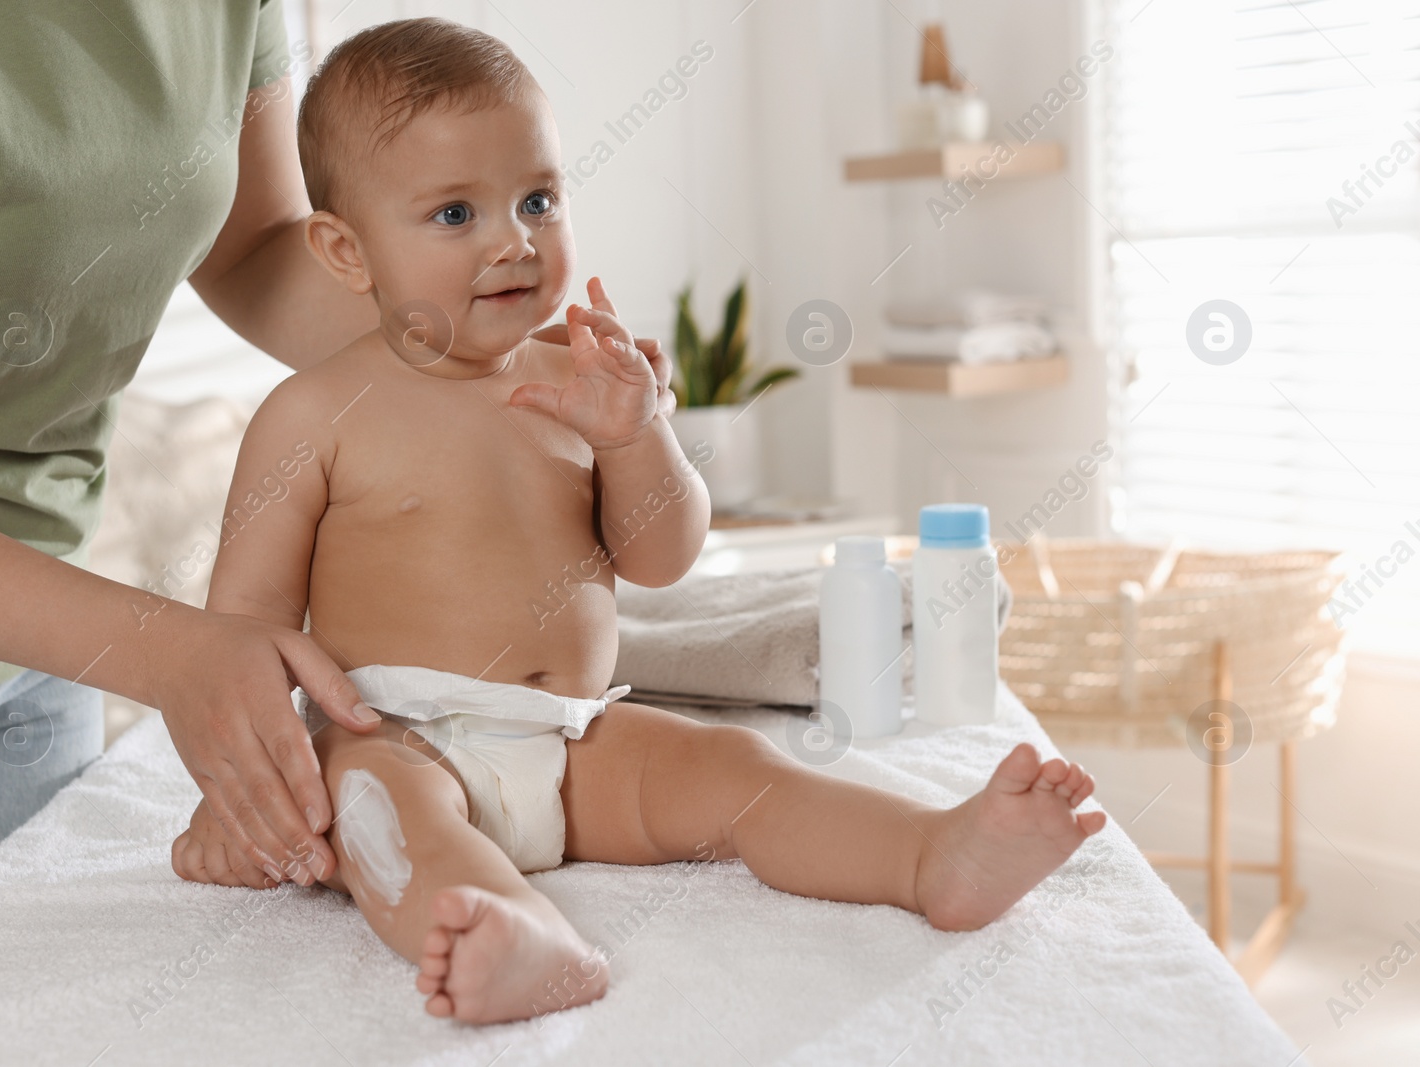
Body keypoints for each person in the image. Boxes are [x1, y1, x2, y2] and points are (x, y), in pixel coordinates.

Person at [170, 16, 1109, 1025]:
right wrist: (242, 794)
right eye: (454, 213)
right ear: (345, 250)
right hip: (403, 736)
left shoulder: (576, 384)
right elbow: (239, 635)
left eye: (538, 198)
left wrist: (634, 438)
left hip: (577, 744)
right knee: (379, 820)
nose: (513, 240)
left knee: (735, 768)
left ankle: (931, 854)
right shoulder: (313, 413)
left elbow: (660, 558)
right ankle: (516, 930)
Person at [0, 3, 684, 992]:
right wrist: (164, 650)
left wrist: (502, 365)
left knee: (48, 1008)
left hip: (39, 623)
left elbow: (259, 249)